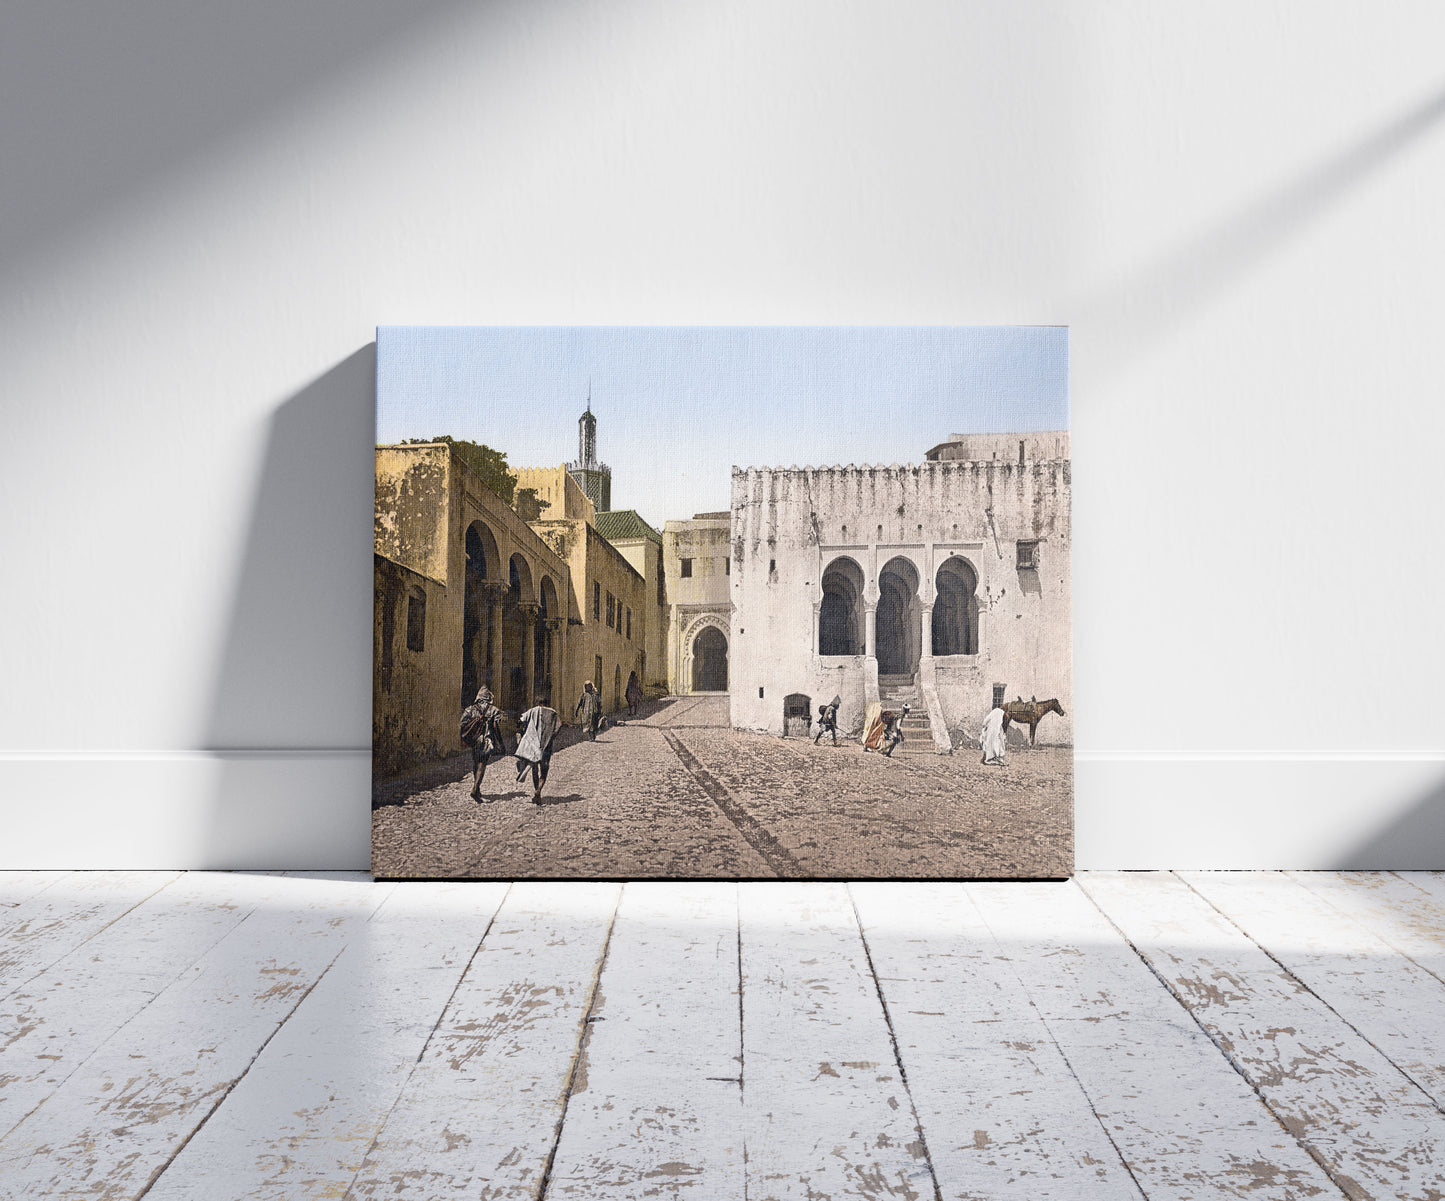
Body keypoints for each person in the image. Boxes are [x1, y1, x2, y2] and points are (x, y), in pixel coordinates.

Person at [459, 688, 505, 802]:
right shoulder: (493, 710)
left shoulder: (470, 709)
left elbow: (462, 723)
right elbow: (495, 727)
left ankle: (477, 787)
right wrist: (500, 743)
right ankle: (475, 789)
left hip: (474, 739)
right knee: (482, 764)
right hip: (486, 739)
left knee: (475, 763)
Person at [514, 703, 561, 802]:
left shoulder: (533, 710)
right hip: (547, 746)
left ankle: (536, 790)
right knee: (544, 771)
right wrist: (551, 737)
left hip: (534, 746)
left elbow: (520, 721)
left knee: (534, 769)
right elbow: (558, 727)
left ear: (538, 703)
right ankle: (539, 790)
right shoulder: (553, 713)